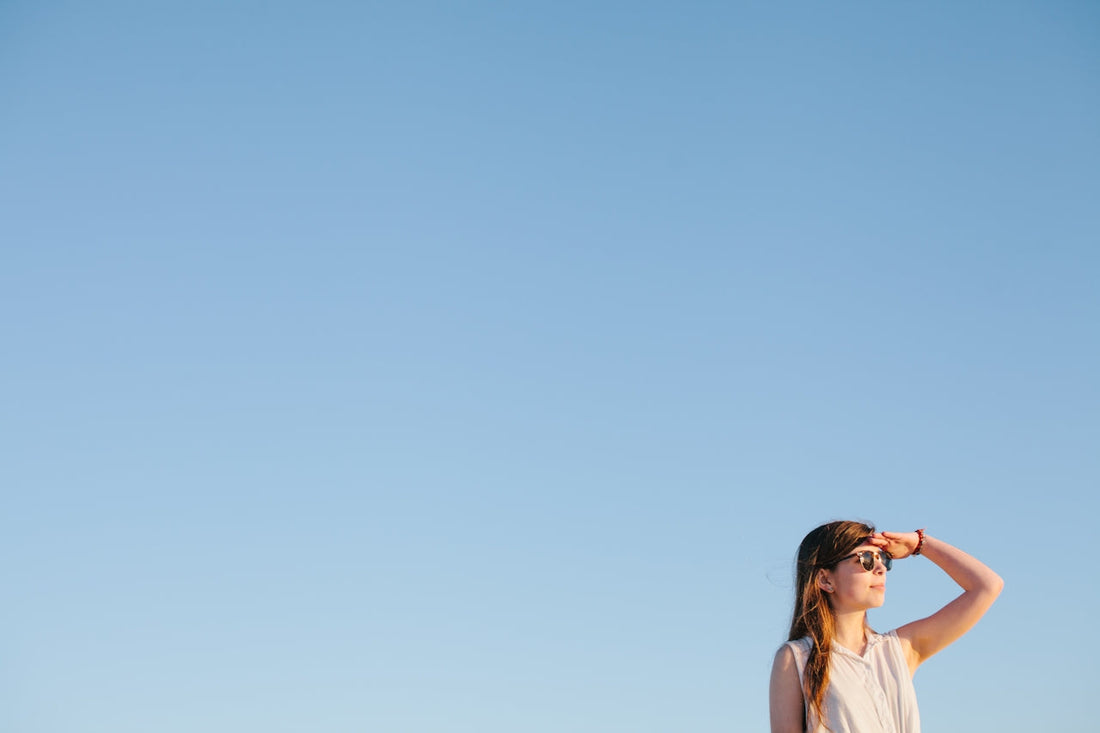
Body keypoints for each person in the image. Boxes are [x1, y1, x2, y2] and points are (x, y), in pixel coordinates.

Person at [769, 521, 1003, 733]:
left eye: (883, 559)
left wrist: (919, 544)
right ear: (825, 580)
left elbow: (988, 586)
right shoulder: (797, 658)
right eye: (866, 560)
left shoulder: (900, 650)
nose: (880, 568)